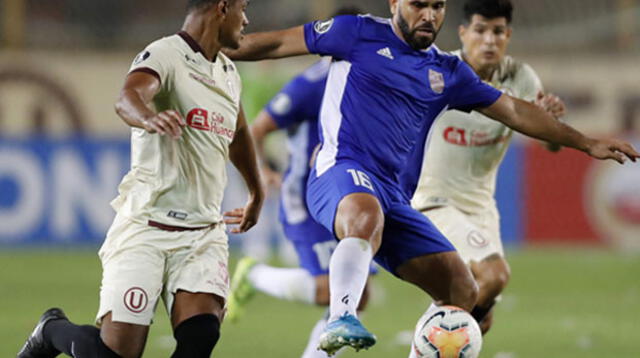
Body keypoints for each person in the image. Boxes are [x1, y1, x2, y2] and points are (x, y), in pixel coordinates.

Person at [223, 0, 639, 355]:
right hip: (339, 170)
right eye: (418, 4)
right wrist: (210, 46)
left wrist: (584, 142)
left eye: (437, 5)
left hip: (394, 196)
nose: (428, 14)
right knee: (364, 214)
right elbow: (276, 42)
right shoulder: (356, 33)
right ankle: (342, 317)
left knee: (463, 291)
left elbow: (513, 111)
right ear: (394, 4)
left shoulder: (447, 72)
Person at [17, 1, 263, 358]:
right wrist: (148, 118)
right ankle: (51, 331)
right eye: (243, 7)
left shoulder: (228, 72)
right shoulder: (165, 54)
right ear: (222, 8)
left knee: (201, 337)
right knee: (115, 355)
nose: (247, 18)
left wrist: (256, 191)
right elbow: (127, 98)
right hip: (147, 226)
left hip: (202, 234)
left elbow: (238, 134)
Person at [225, 7, 376, 358]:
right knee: (330, 290)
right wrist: (261, 171)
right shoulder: (311, 84)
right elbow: (258, 128)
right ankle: (256, 276)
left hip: (351, 192)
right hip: (308, 197)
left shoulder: (371, 76)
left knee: (357, 294)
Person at [411, 0, 565, 336]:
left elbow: (551, 145)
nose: (489, 40)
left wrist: (550, 122)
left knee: (480, 313)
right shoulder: (439, 71)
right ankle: (428, 341)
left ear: (508, 35)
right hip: (433, 201)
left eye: (498, 32)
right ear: (464, 33)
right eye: (480, 30)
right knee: (493, 275)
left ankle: (436, 334)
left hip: (481, 207)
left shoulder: (521, 78)